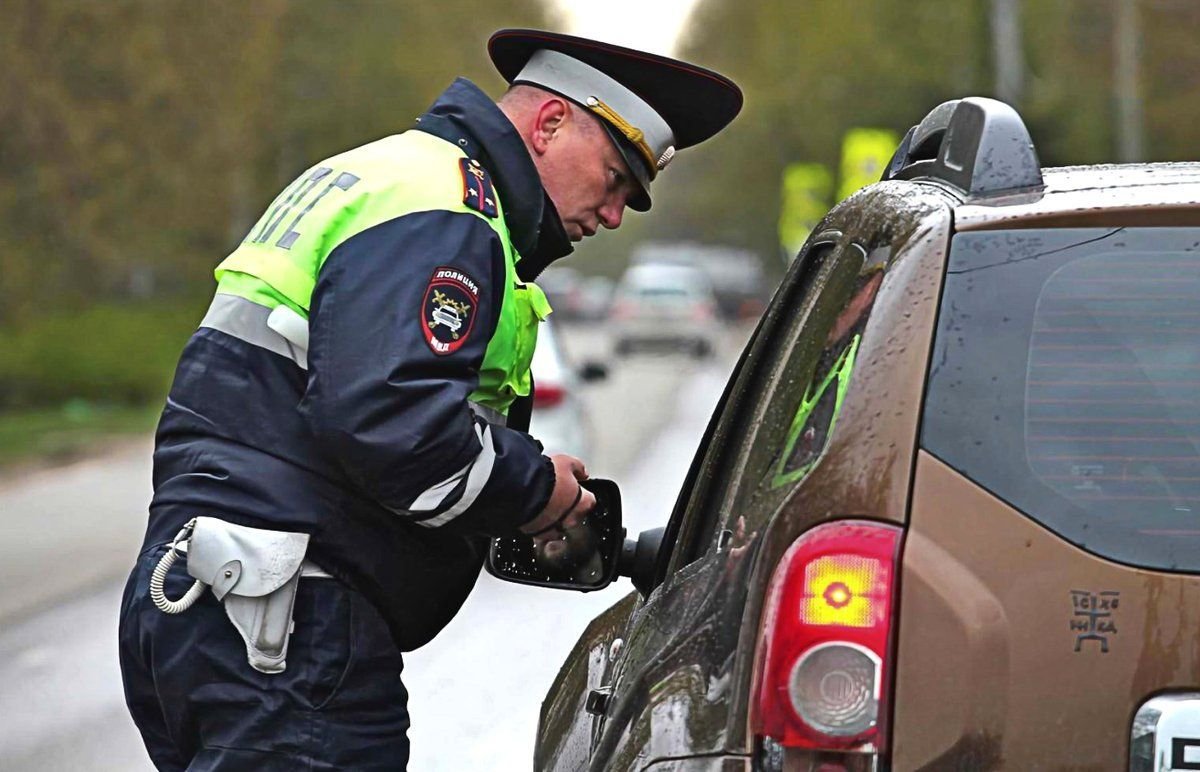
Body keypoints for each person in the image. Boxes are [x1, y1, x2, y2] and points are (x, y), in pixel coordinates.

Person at [118, 28, 742, 770]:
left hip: (207, 601)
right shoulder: (448, 208)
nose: (611, 216)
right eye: (613, 180)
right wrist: (537, 491)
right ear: (549, 125)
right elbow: (393, 424)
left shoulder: (377, 174)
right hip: (288, 629)